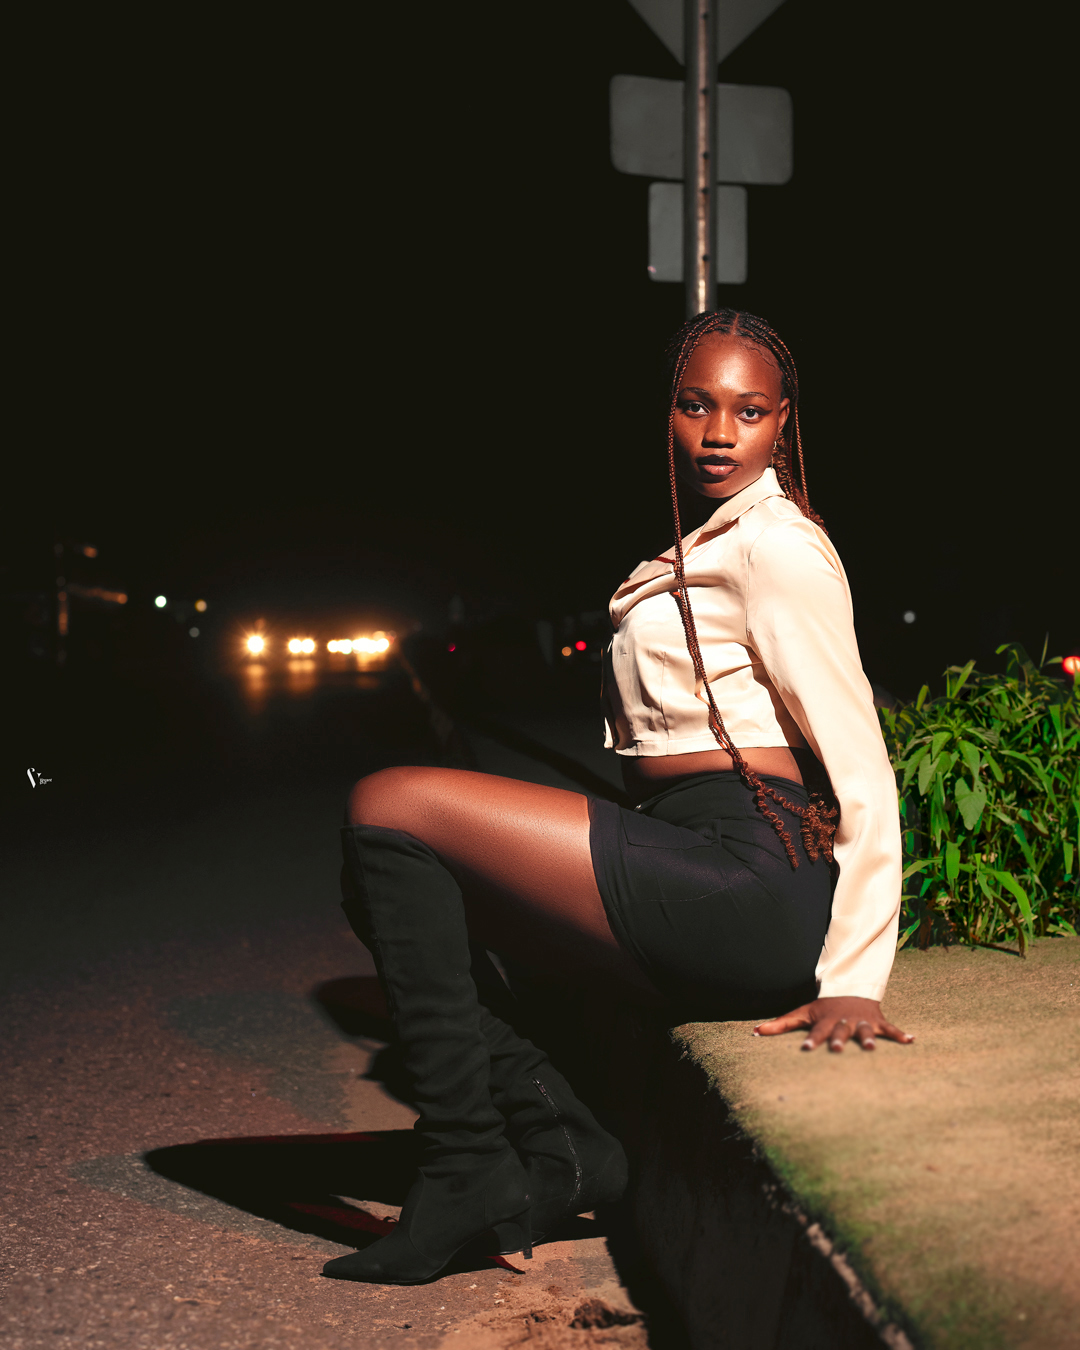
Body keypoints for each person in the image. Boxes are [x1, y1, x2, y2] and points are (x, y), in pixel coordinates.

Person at [323, 308, 911, 1287]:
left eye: (749, 410)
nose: (719, 432)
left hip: (746, 874)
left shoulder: (778, 548)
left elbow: (860, 762)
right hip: (692, 850)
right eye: (696, 404)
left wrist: (854, 973)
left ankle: (466, 1161)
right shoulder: (708, 540)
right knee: (386, 875)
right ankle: (563, 1148)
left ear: (782, 425)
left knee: (391, 805)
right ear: (669, 414)